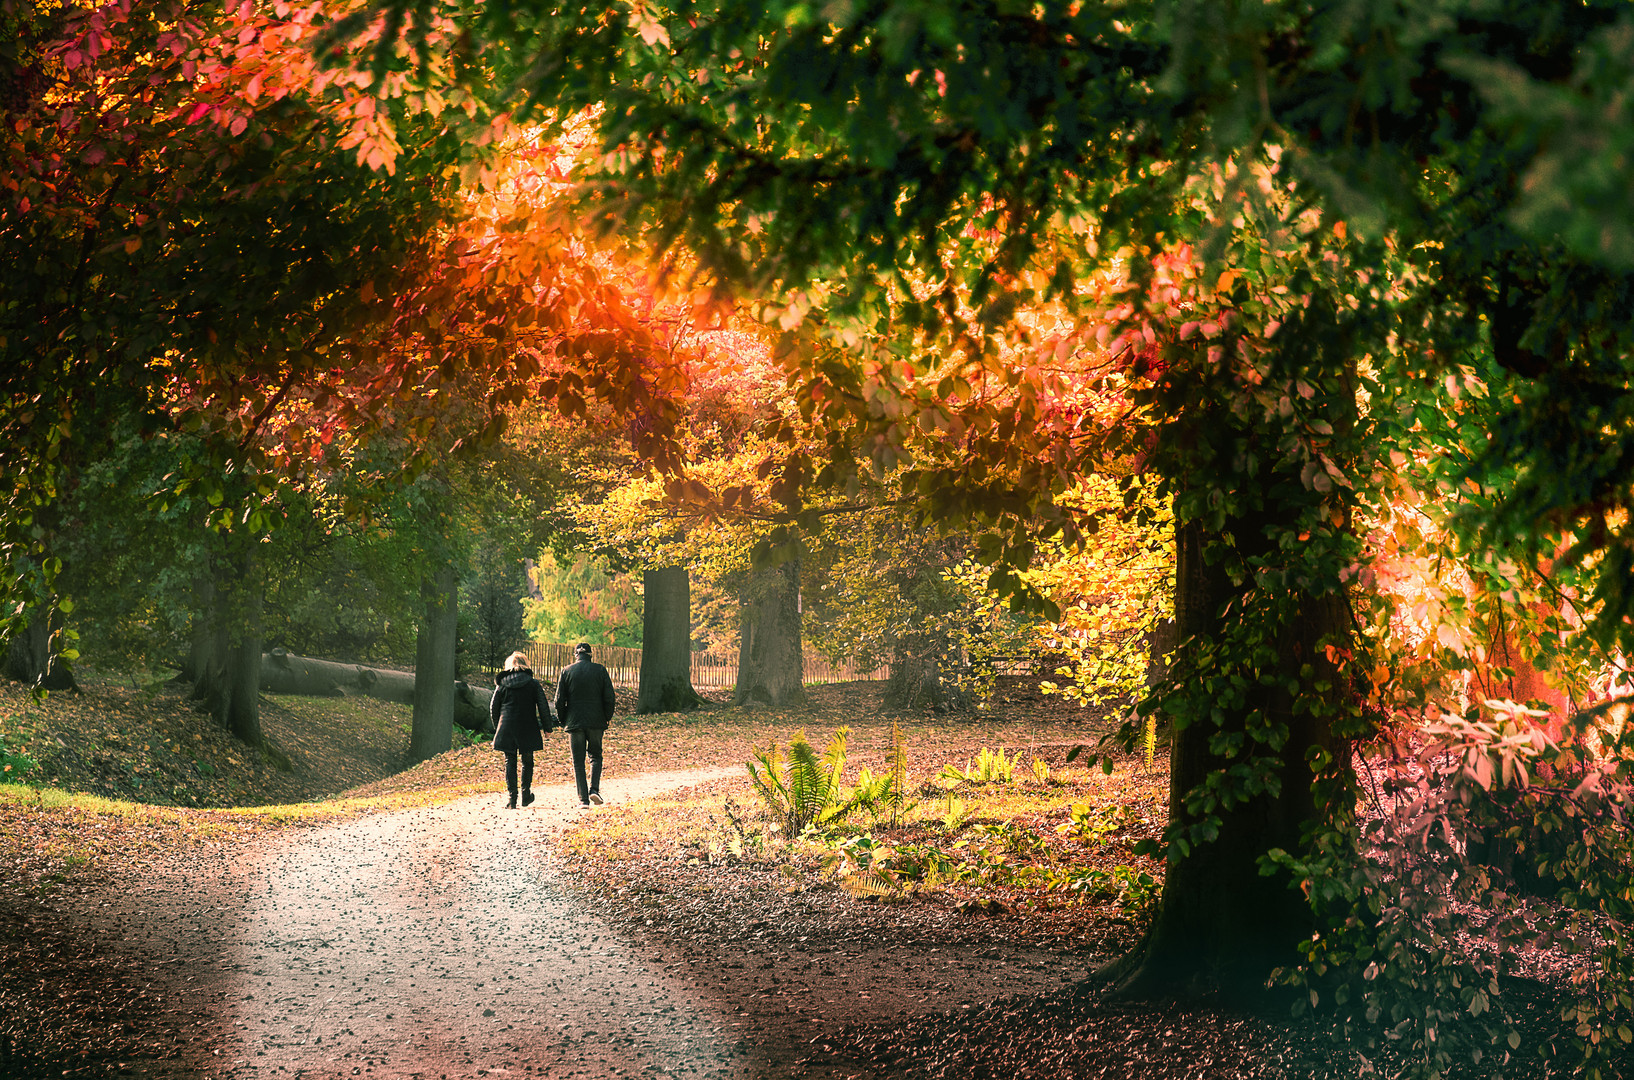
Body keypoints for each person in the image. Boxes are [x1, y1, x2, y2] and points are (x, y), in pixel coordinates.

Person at [553, 642, 616, 808]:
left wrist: (563, 719)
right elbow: (609, 697)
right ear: (590, 655)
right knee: (595, 756)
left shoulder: (566, 671)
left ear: (576, 655)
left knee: (578, 761)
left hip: (574, 722)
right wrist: (607, 717)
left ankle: (583, 800)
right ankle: (594, 789)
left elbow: (559, 701)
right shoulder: (600, 670)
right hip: (596, 721)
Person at [490, 651, 554, 810]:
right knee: (527, 761)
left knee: (509, 761)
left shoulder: (502, 684)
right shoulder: (532, 683)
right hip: (528, 725)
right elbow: (543, 706)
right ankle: (526, 795)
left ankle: (512, 799)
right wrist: (547, 728)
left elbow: (493, 708)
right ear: (526, 664)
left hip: (507, 726)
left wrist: (497, 726)